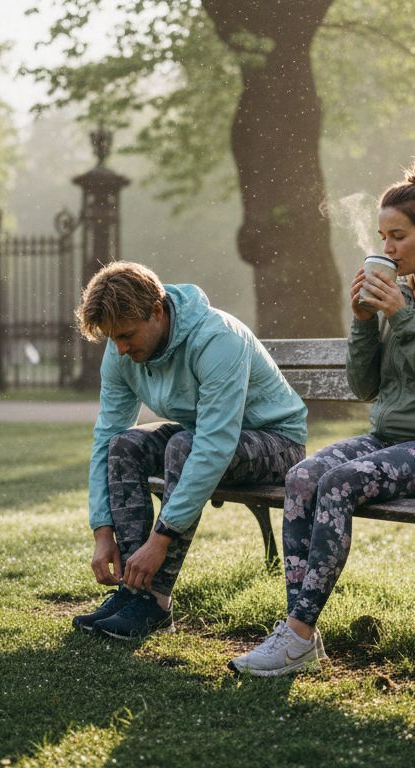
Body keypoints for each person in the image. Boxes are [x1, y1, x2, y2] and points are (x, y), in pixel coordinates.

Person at [228, 159, 415, 676]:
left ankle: (298, 634)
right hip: (389, 436)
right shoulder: (405, 293)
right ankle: (298, 631)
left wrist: (402, 316)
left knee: (338, 485)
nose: (388, 248)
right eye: (383, 236)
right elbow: (365, 387)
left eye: (398, 236)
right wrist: (362, 323)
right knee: (303, 476)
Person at [73, 262, 308, 640]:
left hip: (276, 443)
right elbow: (107, 435)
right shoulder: (122, 350)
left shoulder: (217, 338)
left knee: (185, 445)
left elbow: (214, 444)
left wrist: (160, 539)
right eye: (112, 338)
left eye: (127, 335)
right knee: (125, 445)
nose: (120, 348)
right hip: (205, 437)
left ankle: (156, 600)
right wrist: (102, 531)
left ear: (157, 311)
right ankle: (133, 591)